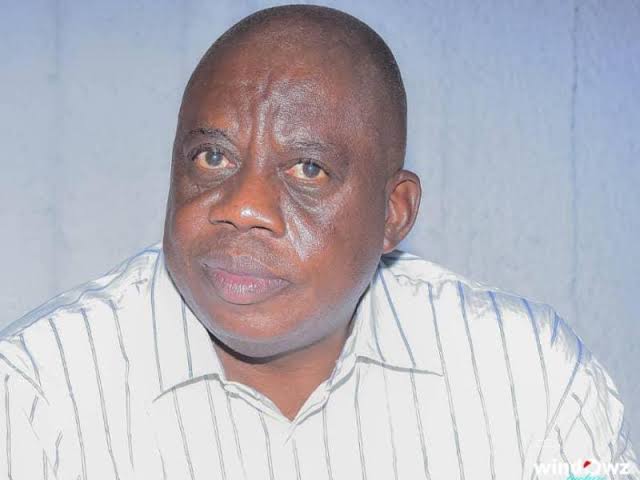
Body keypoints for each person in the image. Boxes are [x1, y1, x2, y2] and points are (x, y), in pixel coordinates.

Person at [0, 4, 637, 480]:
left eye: (309, 169)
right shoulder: (36, 395)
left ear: (394, 213)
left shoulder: (526, 376)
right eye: (213, 157)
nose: (243, 207)